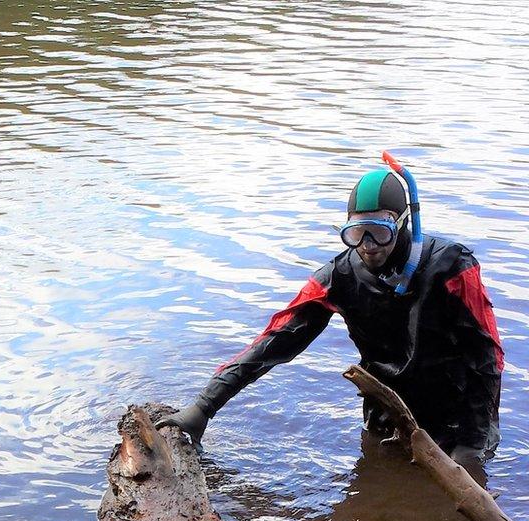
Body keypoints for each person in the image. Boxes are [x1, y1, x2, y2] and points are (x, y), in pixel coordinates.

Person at [159, 161, 504, 466]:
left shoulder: (453, 268)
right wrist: (204, 407)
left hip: (457, 420)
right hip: (387, 413)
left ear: (401, 226)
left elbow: (488, 357)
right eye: (356, 233)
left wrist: (471, 446)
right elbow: (275, 341)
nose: (367, 246)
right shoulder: (338, 277)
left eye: (379, 233)